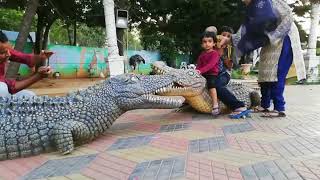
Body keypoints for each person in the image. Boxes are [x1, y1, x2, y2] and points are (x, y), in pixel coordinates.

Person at [233, 0, 307, 117]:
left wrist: (275, 35)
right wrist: (231, 40)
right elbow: (245, 30)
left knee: (276, 74)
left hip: (282, 38)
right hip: (267, 41)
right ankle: (265, 104)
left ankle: (279, 108)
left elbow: (288, 16)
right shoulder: (253, 8)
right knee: (264, 74)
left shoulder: (271, 1)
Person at [205, 26, 251, 119]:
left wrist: (222, 53)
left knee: (216, 85)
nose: (225, 37)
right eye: (223, 35)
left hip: (224, 74)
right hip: (211, 74)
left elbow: (230, 66)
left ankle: (239, 106)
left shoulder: (230, 49)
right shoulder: (212, 46)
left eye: (228, 36)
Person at [0, 31, 53, 97]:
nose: (8, 54)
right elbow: (11, 88)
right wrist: (38, 76)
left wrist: (40, 57)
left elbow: (26, 58)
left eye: (9, 50)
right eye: (2, 53)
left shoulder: (5, 50)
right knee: (2, 88)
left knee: (29, 96)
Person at [195, 31, 220, 116]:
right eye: (204, 42)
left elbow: (211, 65)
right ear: (202, 44)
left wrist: (200, 71)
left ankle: (215, 105)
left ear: (214, 43)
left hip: (212, 74)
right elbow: (198, 65)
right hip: (203, 74)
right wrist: (196, 72)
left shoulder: (215, 53)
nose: (207, 44)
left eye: (210, 41)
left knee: (211, 84)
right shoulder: (202, 54)